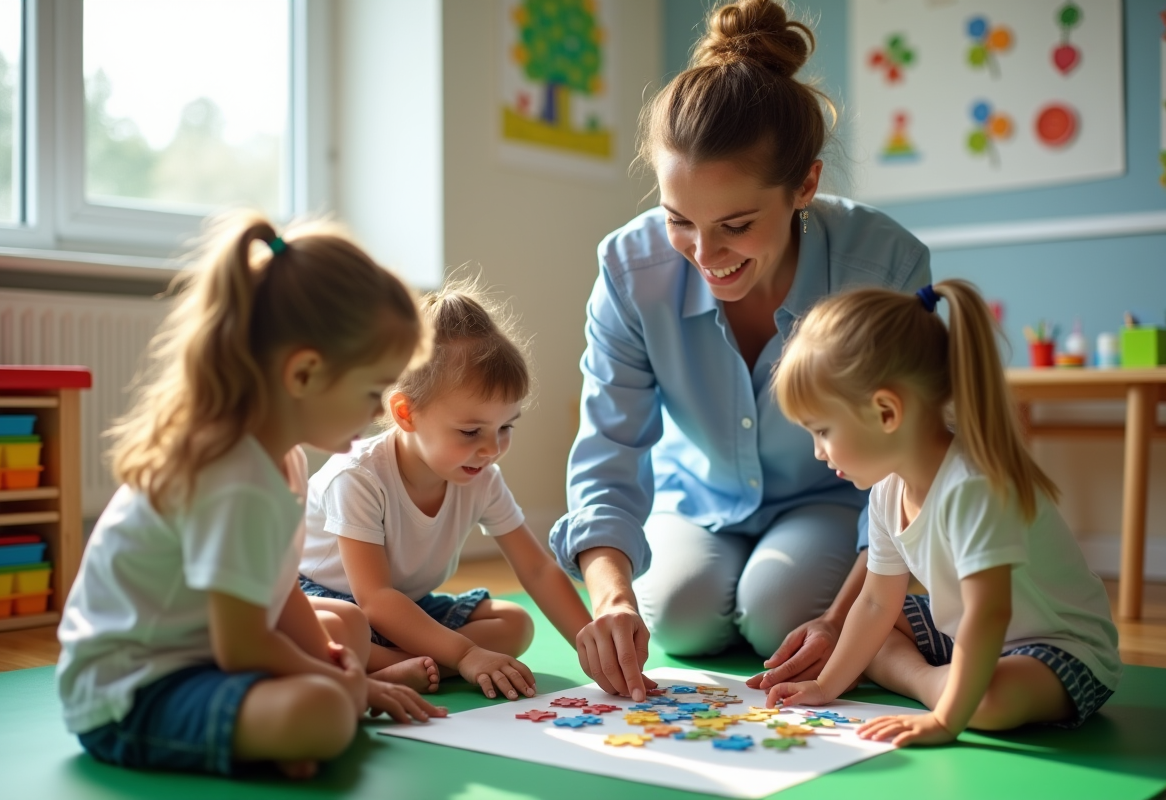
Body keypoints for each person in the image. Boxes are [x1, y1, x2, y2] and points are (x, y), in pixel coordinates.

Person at [550, 0, 931, 701]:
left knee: (779, 613)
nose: (705, 253)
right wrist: (610, 599)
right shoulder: (630, 269)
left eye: (735, 224)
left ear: (805, 186)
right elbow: (609, 450)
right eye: (678, 221)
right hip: (694, 494)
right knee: (685, 618)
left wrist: (841, 620)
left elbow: (914, 460)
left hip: (832, 499)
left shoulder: (882, 263)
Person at [56, 213, 446, 780]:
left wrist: (329, 659)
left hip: (200, 652)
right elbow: (242, 647)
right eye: (369, 391)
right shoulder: (233, 475)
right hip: (130, 693)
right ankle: (292, 727)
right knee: (325, 711)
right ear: (305, 373)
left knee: (347, 629)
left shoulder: (279, 454)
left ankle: (303, 715)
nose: (375, 412)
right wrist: (343, 682)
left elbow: (278, 585)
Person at [758, 280, 1121, 743]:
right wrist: (826, 685)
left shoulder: (973, 487)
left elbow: (989, 613)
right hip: (967, 629)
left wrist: (945, 719)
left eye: (823, 431)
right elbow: (874, 601)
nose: (819, 452)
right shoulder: (888, 490)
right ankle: (943, 682)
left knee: (986, 702)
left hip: (1061, 650)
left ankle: (936, 687)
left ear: (886, 412)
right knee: (866, 628)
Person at [300, 283, 593, 702]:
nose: (492, 449)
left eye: (506, 427)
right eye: (471, 431)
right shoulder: (358, 476)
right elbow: (375, 599)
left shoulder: (481, 476)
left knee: (514, 623)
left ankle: (402, 664)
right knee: (339, 626)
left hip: (407, 608)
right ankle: (394, 667)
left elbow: (537, 570)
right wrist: (468, 653)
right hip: (330, 602)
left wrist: (590, 640)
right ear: (406, 413)